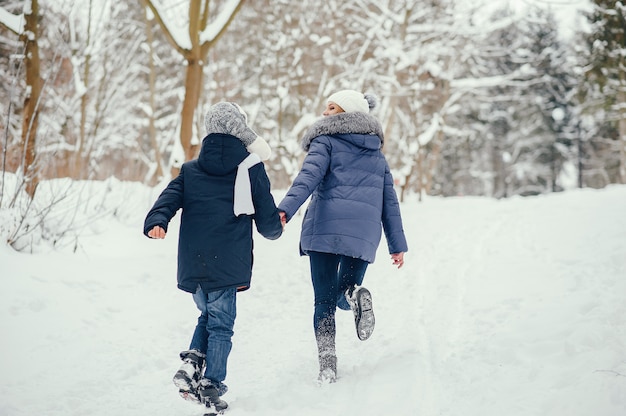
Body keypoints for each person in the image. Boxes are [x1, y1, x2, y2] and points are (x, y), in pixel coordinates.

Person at [143, 102, 283, 413]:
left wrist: (157, 221)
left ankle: (193, 361)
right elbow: (266, 214)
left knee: (207, 316)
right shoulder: (250, 167)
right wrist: (275, 228)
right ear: (240, 131)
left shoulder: (190, 169)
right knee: (221, 326)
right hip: (228, 262)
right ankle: (212, 384)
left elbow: (169, 197)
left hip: (194, 262)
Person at [277, 89, 408, 383]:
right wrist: (396, 245)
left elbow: (307, 178)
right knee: (344, 290)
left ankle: (327, 364)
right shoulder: (378, 156)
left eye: (331, 108)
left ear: (346, 113)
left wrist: (285, 209)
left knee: (323, 301)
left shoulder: (324, 142)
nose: (325, 113)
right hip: (363, 233)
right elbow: (390, 203)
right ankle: (353, 294)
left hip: (325, 227)